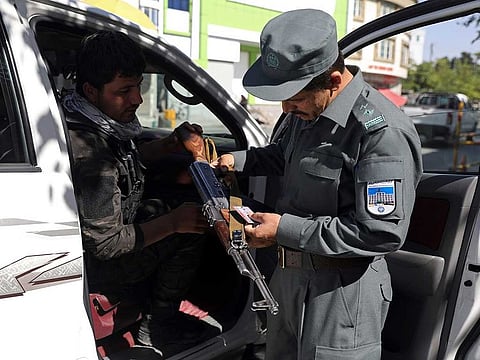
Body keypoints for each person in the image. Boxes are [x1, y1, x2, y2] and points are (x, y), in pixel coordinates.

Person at [212, 9, 423, 360]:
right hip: (289, 279)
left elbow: (379, 233)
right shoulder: (308, 111)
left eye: (294, 98)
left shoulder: (381, 132)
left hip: (341, 294)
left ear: (333, 80)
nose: (285, 107)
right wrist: (239, 161)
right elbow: (285, 156)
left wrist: (283, 228)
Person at [61, 30, 219, 356]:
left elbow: (127, 164)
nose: (138, 99)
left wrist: (169, 145)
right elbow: (105, 244)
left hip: (113, 241)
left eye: (139, 86)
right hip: (99, 268)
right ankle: (157, 326)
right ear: (91, 90)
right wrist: (174, 224)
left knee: (174, 207)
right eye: (125, 91)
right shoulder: (90, 153)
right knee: (192, 225)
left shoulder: (99, 124)